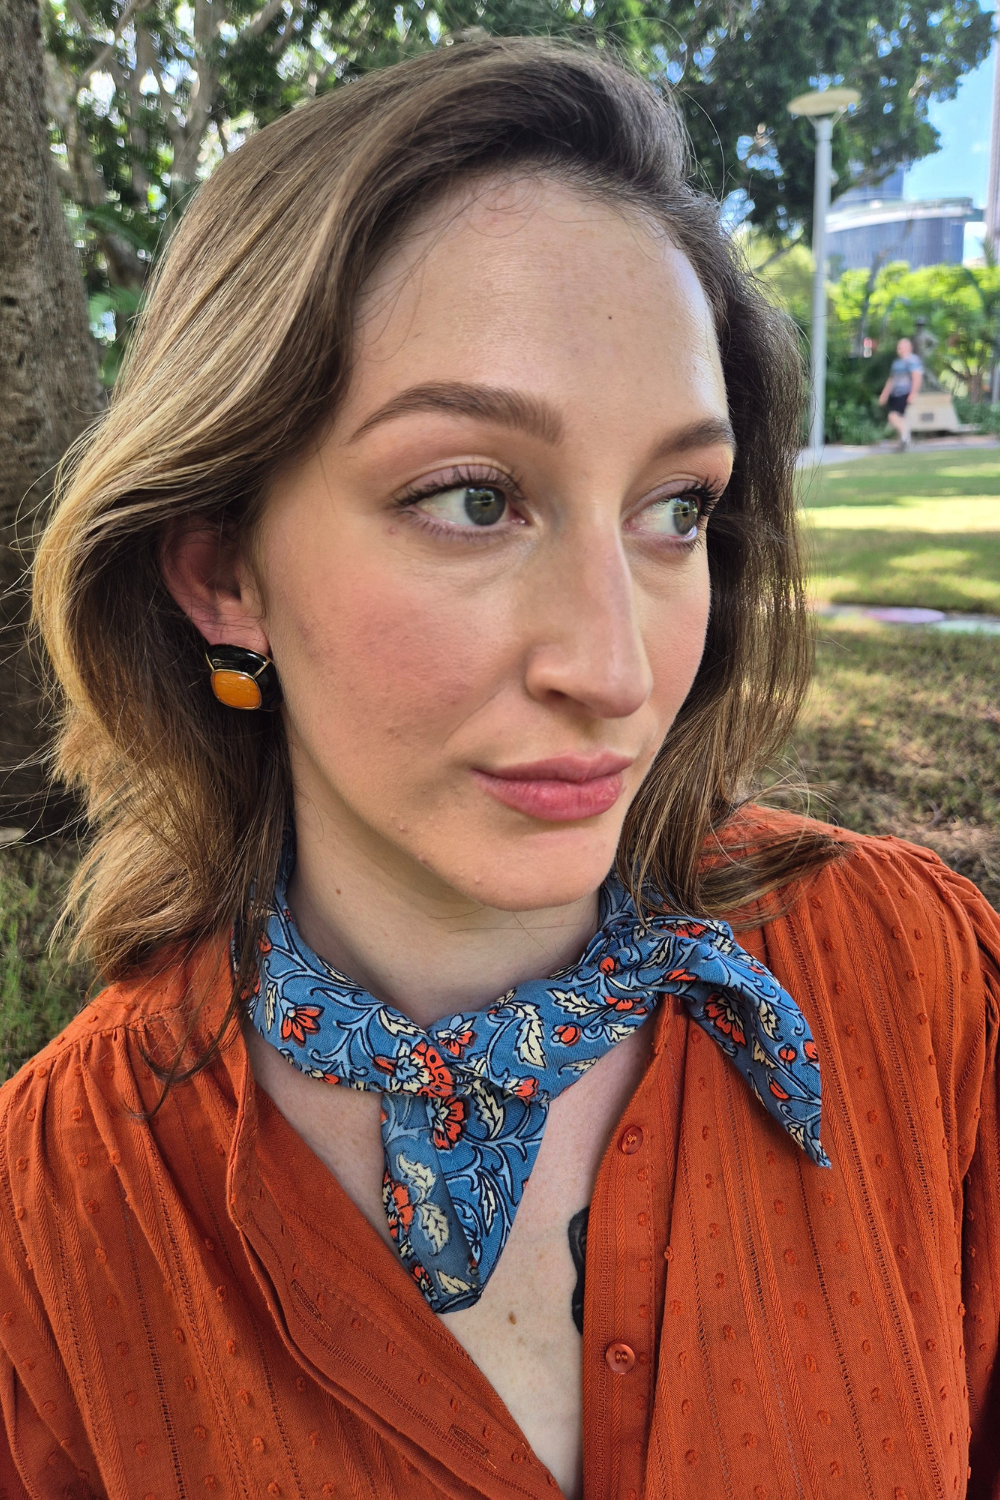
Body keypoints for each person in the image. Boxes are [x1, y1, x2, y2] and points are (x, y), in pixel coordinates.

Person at [1, 38, 998, 1500]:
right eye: (475, 498)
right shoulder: (55, 1220)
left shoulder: (922, 984)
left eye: (675, 509)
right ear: (224, 573)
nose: (611, 665)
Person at [878, 336, 924, 449]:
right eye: (899, 347)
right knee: (900, 418)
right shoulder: (897, 363)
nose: (900, 349)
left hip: (904, 392)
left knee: (892, 416)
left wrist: (913, 393)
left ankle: (905, 435)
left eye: (902, 347)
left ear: (909, 347)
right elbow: (891, 380)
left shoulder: (912, 360)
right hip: (895, 394)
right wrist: (884, 394)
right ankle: (904, 440)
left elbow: (917, 377)